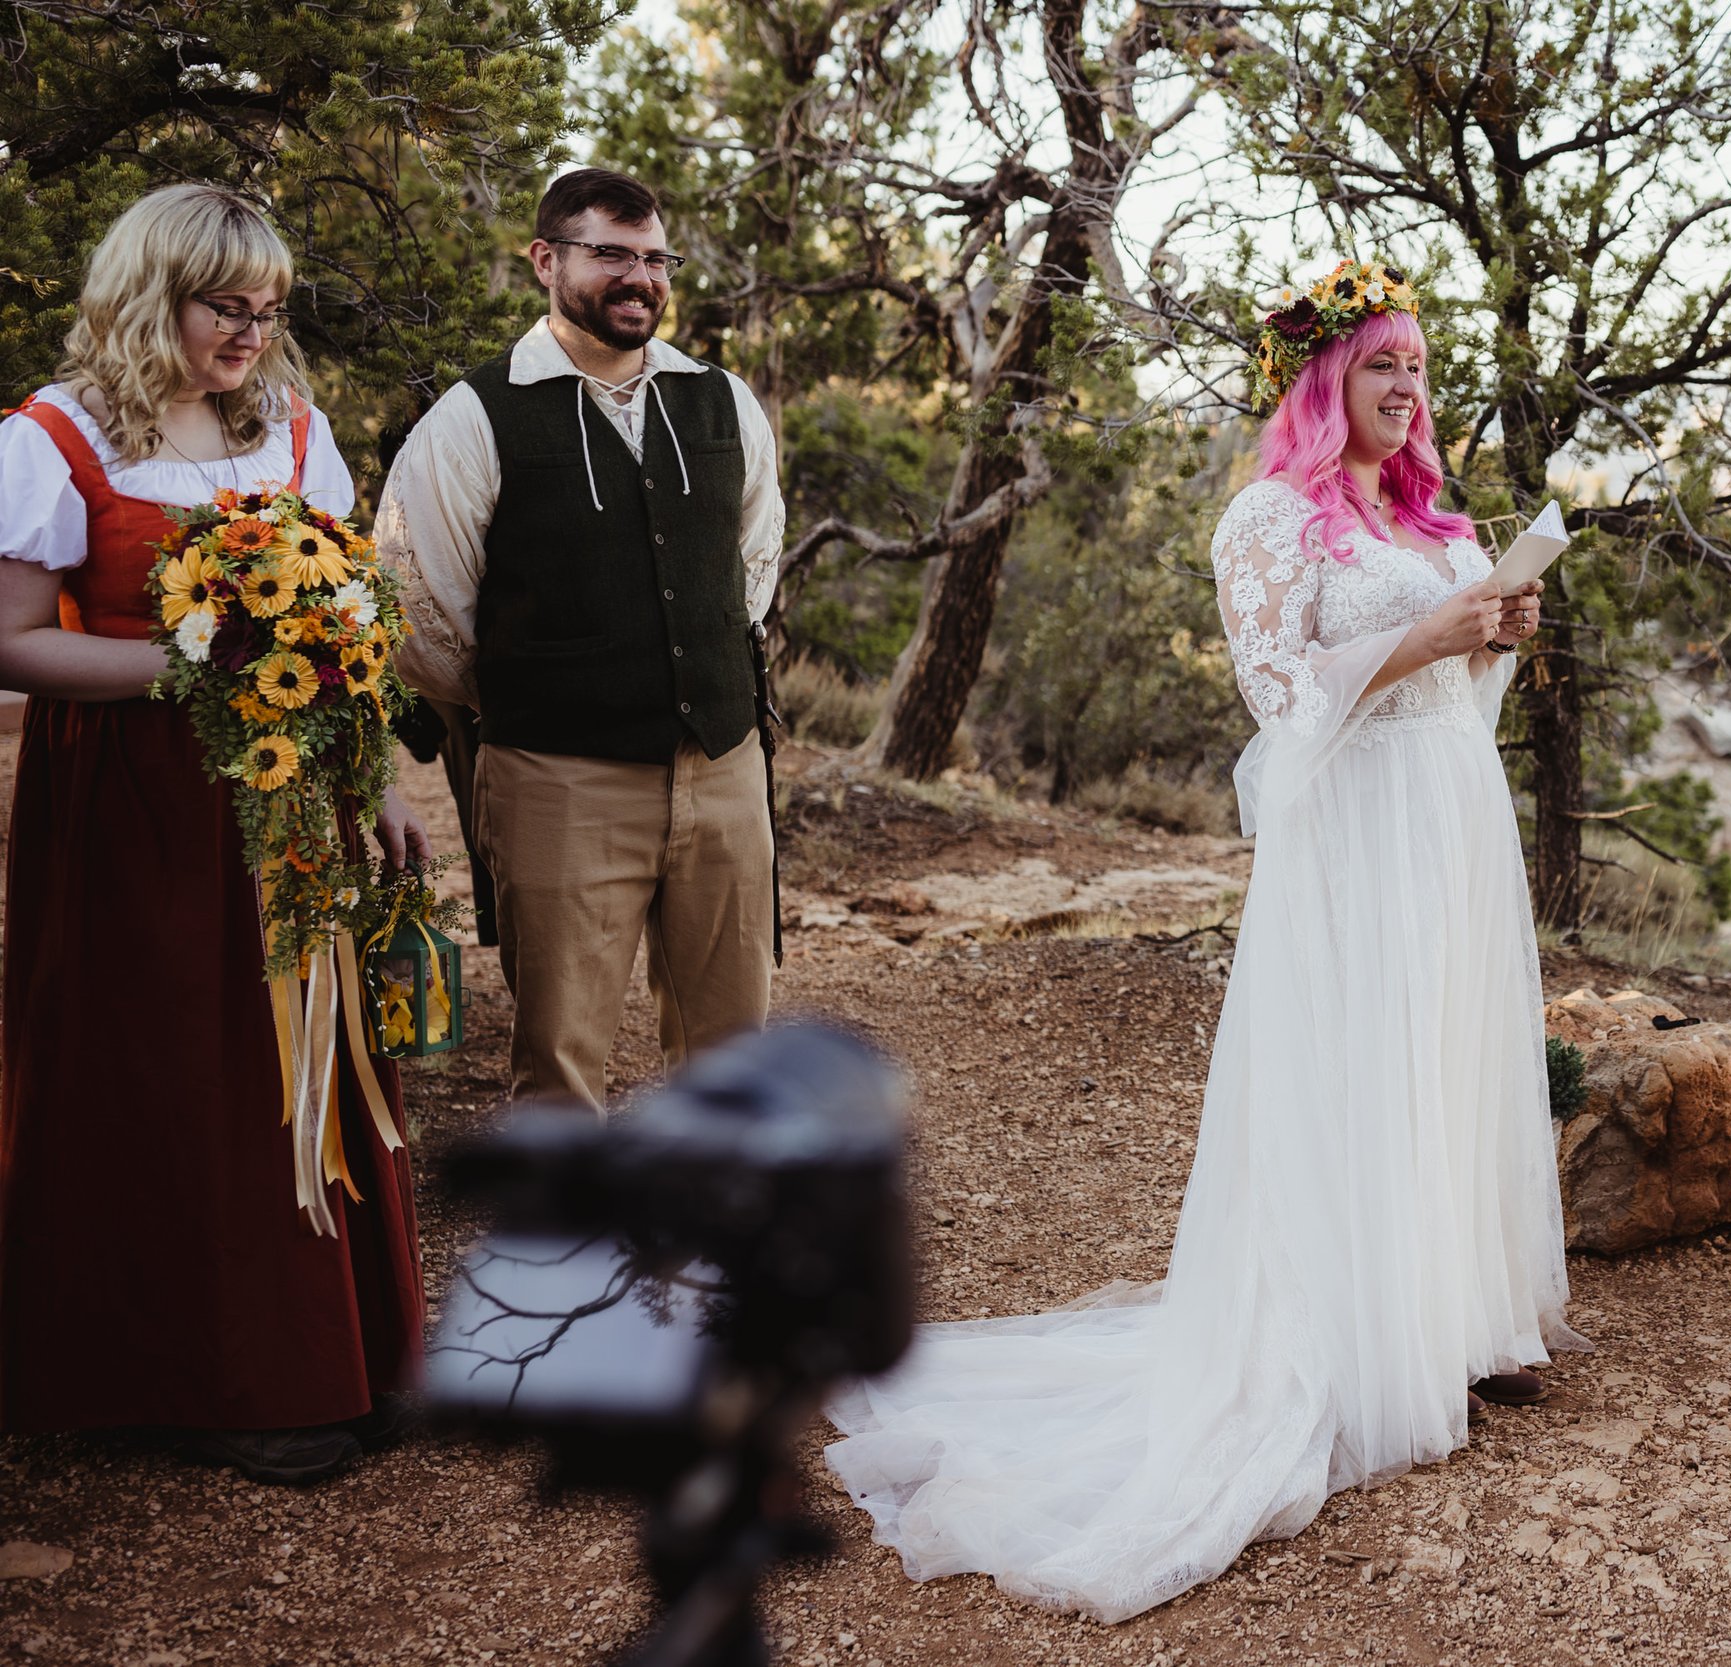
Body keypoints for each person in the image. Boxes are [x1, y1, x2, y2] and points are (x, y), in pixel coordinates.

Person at [824, 262, 1583, 1622]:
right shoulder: (1268, 519)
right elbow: (1285, 699)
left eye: (1416, 368)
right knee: (1359, 1066)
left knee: (1444, 1059)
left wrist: (1494, 630)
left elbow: (1456, 681)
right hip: (1350, 833)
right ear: (1321, 383)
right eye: (1378, 369)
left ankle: (1455, 1324)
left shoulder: (1433, 516)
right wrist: (1431, 633)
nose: (1405, 393)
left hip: (1448, 821)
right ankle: (1353, 1347)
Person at [0, 184, 429, 1483]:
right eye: (222, 307)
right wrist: (191, 665)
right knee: (175, 1064)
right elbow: (12, 639)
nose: (250, 333)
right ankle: (198, 1375)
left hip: (295, 790)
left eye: (267, 309)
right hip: (133, 801)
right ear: (150, 296)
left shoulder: (290, 430)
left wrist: (385, 785)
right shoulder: (53, 438)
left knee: (306, 1051)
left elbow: (346, 627)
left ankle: (340, 1353)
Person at [377, 167, 786, 1111]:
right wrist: (537, 695)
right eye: (610, 254)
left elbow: (750, 571)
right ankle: (567, 1257)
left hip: (724, 767)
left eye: (654, 258)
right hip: (557, 779)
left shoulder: (723, 402)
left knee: (732, 1046)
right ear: (545, 261)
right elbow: (420, 612)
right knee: (560, 1059)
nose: (639, 277)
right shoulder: (473, 417)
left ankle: (718, 1243)